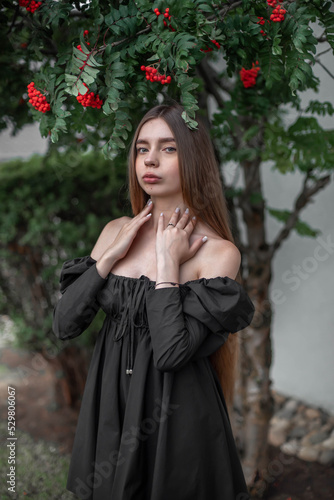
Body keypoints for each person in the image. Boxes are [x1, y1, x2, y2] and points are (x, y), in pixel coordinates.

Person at [52, 102, 255, 500]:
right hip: (111, 401)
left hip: (175, 414)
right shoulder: (115, 231)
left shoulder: (219, 252)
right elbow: (65, 324)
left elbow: (170, 354)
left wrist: (167, 264)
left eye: (168, 148)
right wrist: (109, 256)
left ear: (193, 158)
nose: (150, 160)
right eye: (142, 149)